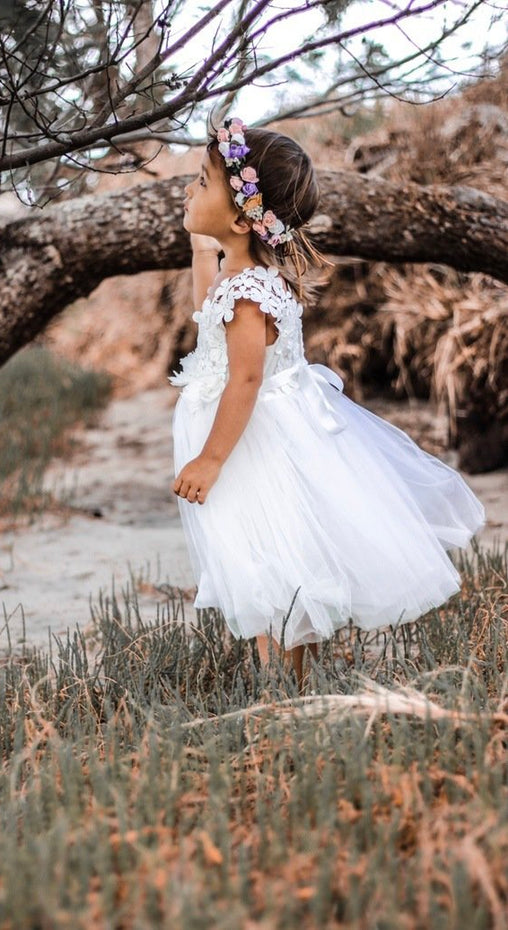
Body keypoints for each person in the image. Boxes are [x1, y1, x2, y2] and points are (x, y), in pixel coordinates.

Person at [168, 115, 486, 693]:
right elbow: (203, 313)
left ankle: (278, 690)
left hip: (250, 443)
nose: (189, 190)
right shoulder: (247, 276)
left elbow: (244, 381)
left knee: (266, 563)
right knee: (276, 563)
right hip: (263, 434)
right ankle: (294, 683)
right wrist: (199, 251)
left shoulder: (246, 294)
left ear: (241, 217)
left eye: (202, 182)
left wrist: (211, 459)